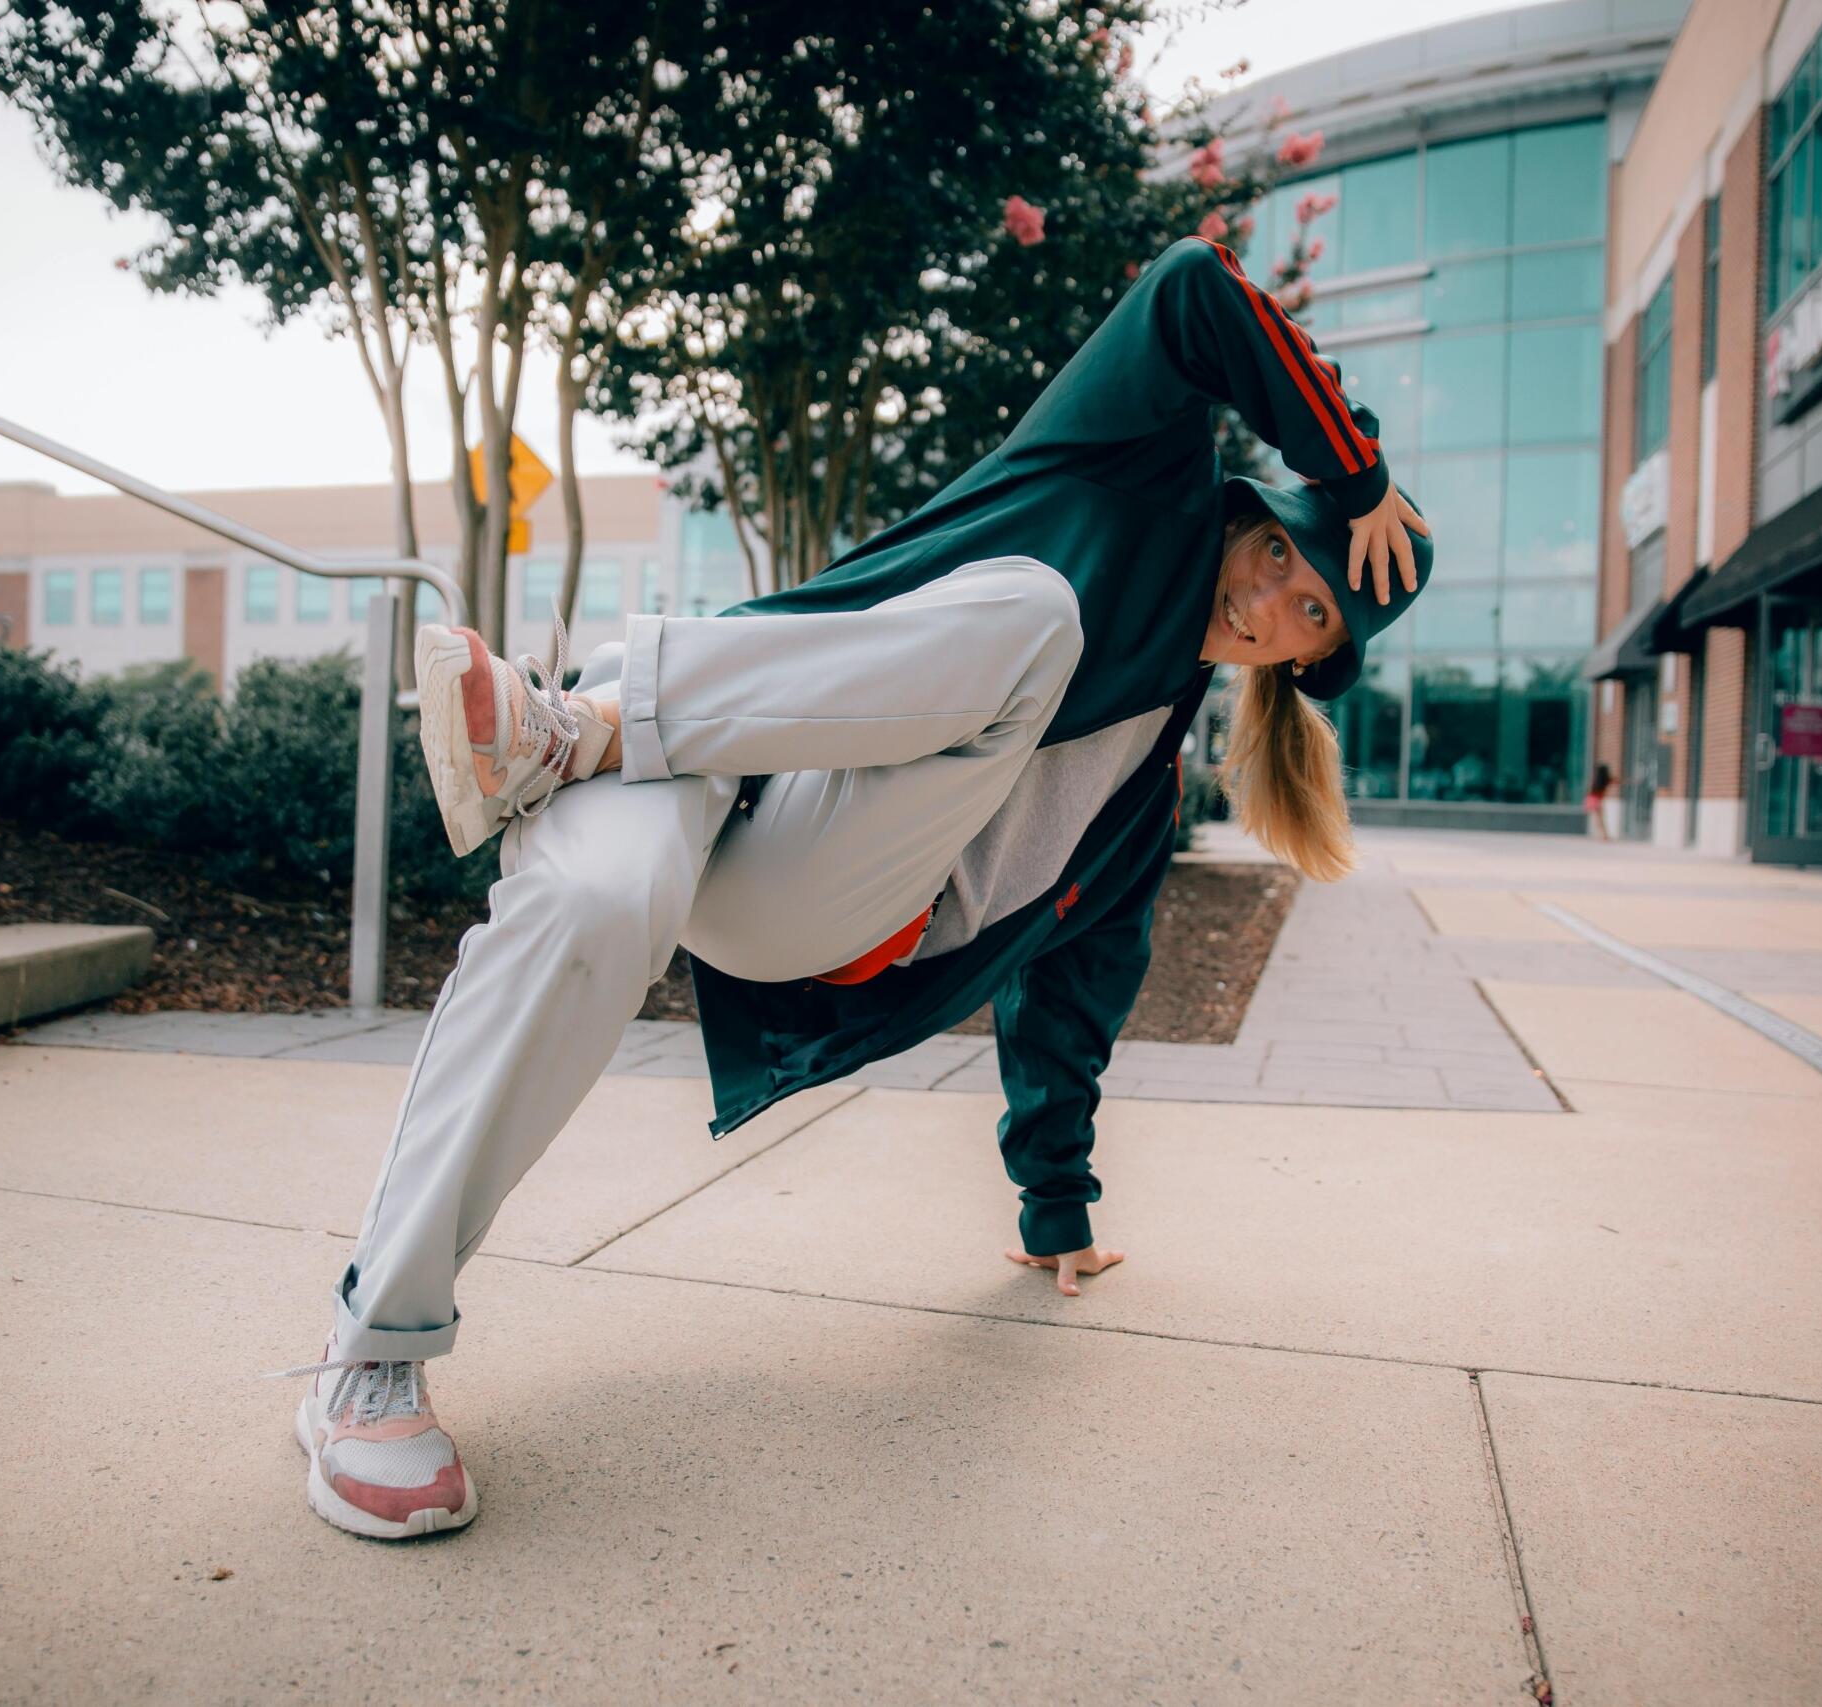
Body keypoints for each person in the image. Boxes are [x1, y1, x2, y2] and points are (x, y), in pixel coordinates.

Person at [277, 236, 1433, 1540]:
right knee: (587, 907)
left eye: (1315, 615)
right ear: (1263, 504)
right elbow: (1190, 291)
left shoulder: (1141, 796)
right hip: (709, 743)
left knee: (1034, 630)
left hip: (818, 895)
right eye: (1286, 553)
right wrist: (1361, 472)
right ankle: (372, 1346)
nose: (1279, 597)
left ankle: (588, 725)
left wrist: (1057, 1200)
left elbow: (1079, 989)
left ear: (1305, 663)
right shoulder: (1125, 470)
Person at [1585, 763, 1615, 839]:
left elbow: (1589, 791)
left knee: (1597, 818)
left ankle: (1602, 835)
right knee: (1600, 818)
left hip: (1592, 799)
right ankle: (1604, 835)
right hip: (1598, 800)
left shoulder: (1596, 780)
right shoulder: (1606, 779)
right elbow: (1617, 781)